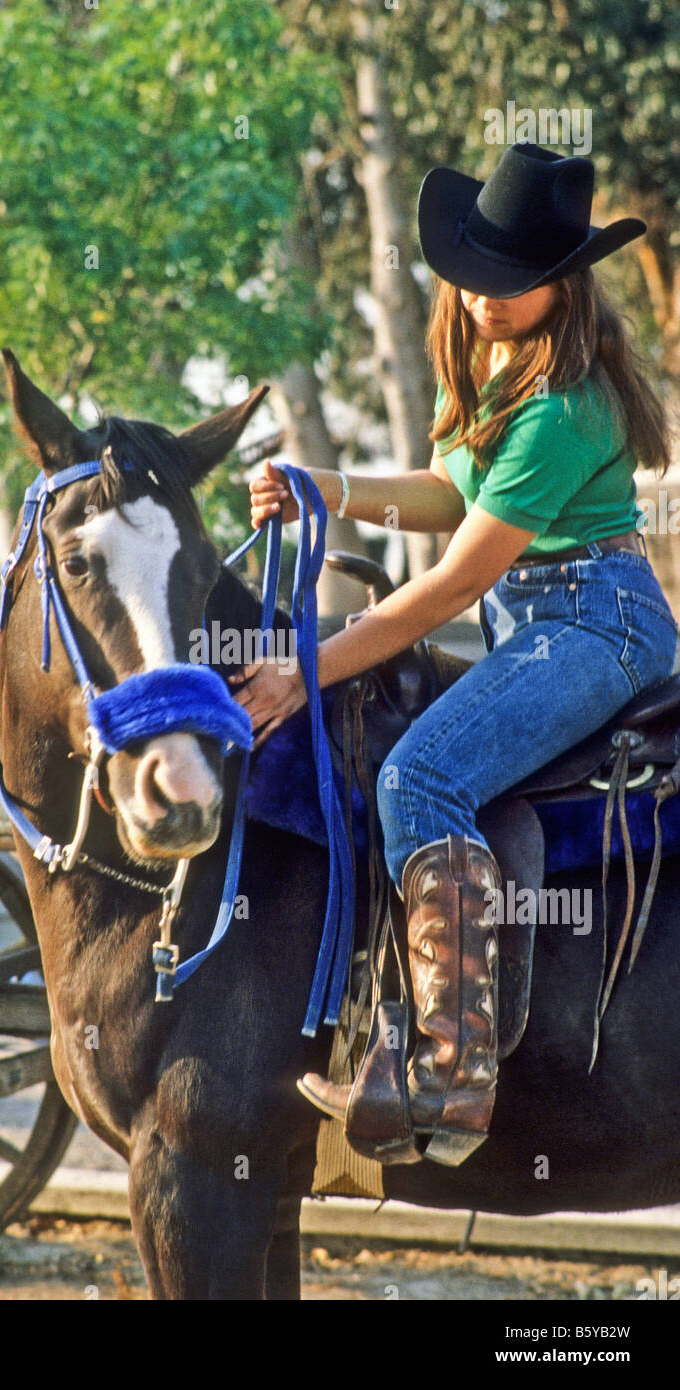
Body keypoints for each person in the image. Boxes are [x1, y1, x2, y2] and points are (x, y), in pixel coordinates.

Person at [230, 142, 680, 1166]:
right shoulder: (489, 362)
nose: (490, 302)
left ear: (566, 284)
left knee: (420, 774)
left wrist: (307, 666)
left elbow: (456, 581)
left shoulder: (568, 404)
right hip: (538, 620)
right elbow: (451, 496)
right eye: (481, 280)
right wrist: (330, 487)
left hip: (593, 623)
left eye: (518, 287)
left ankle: (452, 1066)